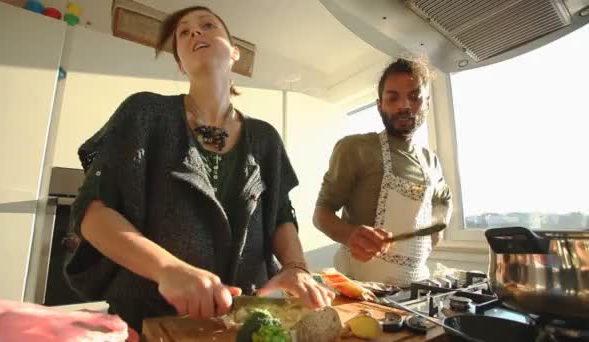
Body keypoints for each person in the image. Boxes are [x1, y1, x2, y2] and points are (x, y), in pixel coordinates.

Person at [64, 6, 333, 332]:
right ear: (179, 61)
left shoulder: (265, 138)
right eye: (183, 32)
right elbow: (92, 212)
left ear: (235, 52)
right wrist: (168, 270)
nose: (195, 32)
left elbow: (280, 215)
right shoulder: (144, 113)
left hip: (246, 326)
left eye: (208, 25)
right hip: (149, 323)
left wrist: (296, 267)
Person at [313, 58, 452, 287]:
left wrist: (436, 227)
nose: (404, 105)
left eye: (415, 97)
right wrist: (350, 235)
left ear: (427, 103)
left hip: (415, 284)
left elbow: (444, 199)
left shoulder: (431, 160)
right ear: (380, 105)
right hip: (361, 286)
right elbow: (321, 214)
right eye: (393, 97)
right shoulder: (354, 148)